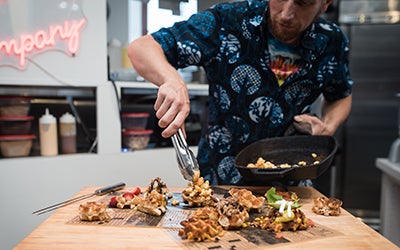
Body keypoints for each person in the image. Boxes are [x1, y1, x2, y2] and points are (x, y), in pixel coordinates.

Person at [128, 0, 353, 185]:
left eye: (303, 3)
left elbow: (341, 95)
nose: (286, 13)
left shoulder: (332, 41)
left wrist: (327, 127)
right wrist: (172, 80)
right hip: (220, 180)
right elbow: (141, 48)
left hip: (291, 182)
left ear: (325, 4)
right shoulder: (227, 21)